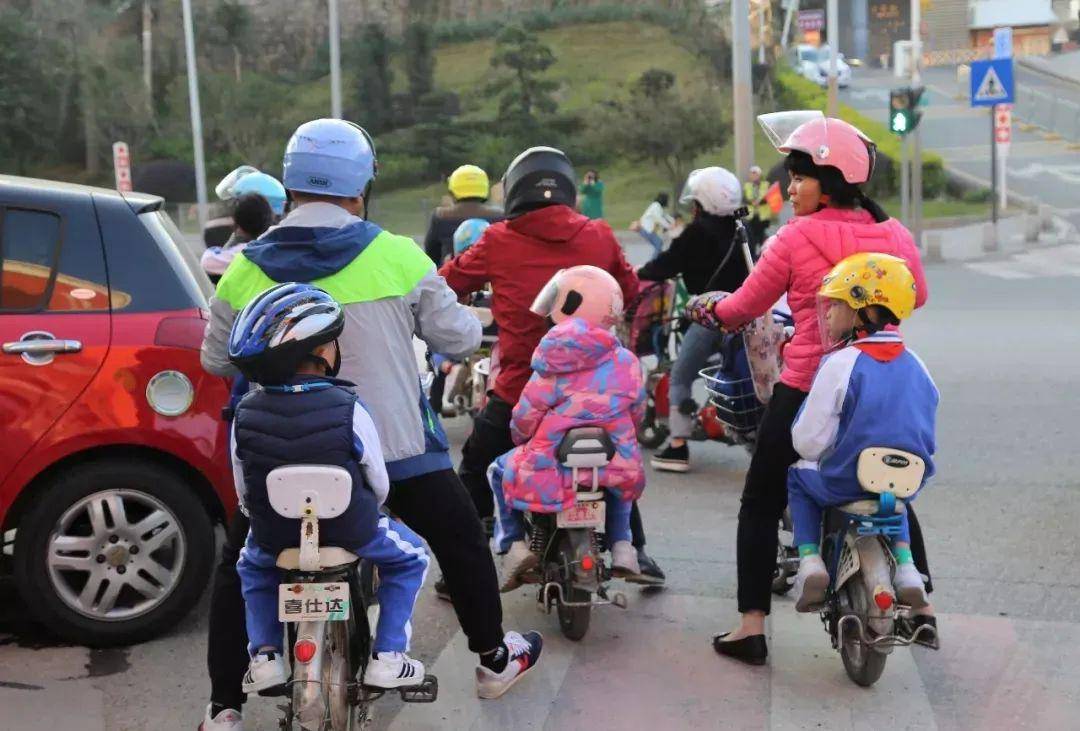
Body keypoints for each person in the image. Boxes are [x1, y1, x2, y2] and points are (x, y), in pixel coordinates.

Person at [198, 119, 542, 731]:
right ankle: (492, 658)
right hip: (396, 455)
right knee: (459, 536)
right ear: (361, 188)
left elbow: (216, 357)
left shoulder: (247, 266)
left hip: (278, 459)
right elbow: (459, 336)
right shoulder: (396, 255)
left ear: (290, 184)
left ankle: (224, 707)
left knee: (238, 563)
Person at [685, 114, 930, 666]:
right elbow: (920, 296)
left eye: (800, 176)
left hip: (806, 385)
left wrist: (709, 308)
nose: (790, 188)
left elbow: (743, 308)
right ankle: (922, 602)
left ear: (832, 178)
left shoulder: (795, 237)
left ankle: (750, 626)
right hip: (877, 382)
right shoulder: (894, 234)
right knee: (889, 478)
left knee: (761, 498)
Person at [440, 146, 666, 586]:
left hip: (521, 388)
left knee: (475, 466)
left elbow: (447, 281)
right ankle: (635, 550)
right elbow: (631, 289)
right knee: (613, 462)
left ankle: (466, 569)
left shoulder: (496, 239)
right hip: (597, 391)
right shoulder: (598, 235)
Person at [226, 283, 429, 692]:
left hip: (276, 534)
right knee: (412, 559)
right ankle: (388, 656)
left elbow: (243, 489)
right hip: (353, 528)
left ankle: (265, 655)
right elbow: (378, 481)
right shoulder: (351, 408)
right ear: (321, 352)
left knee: (253, 568)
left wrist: (261, 518)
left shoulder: (244, 413)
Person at [787, 253, 937, 614]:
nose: (826, 313)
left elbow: (808, 441)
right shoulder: (918, 364)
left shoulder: (841, 363)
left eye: (835, 304)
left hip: (845, 482)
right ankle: (907, 567)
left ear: (862, 310)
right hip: (906, 479)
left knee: (797, 476)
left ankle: (809, 560)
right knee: (894, 493)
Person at [487, 266, 647, 587]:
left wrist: (520, 437)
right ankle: (622, 546)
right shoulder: (627, 362)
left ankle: (513, 545)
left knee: (498, 470)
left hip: (553, 465)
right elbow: (637, 412)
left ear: (571, 305)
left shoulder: (552, 361)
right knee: (618, 485)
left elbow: (525, 417)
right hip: (611, 459)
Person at [637, 166, 749, 473]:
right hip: (746, 314)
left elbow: (665, 265)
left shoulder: (697, 232)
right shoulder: (741, 230)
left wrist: (638, 274)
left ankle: (677, 446)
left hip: (711, 317)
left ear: (702, 202)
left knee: (681, 376)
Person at [423, 164, 504, 265]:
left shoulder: (440, 216)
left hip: (452, 277)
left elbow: (431, 256)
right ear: (484, 188)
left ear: (453, 190)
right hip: (490, 277)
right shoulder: (500, 217)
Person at [200, 193, 274, 282]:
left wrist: (234, 238)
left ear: (238, 226)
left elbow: (207, 261)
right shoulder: (278, 247)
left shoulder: (243, 254)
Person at [743, 165, 773, 250]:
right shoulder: (747, 186)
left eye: (755, 174)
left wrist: (760, 202)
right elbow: (744, 198)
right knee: (752, 236)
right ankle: (754, 254)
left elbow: (769, 197)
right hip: (751, 216)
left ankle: (765, 252)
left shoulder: (766, 185)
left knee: (760, 235)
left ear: (759, 175)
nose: (753, 176)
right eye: (752, 174)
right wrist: (752, 202)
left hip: (762, 216)